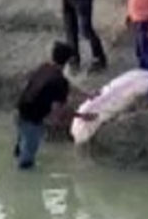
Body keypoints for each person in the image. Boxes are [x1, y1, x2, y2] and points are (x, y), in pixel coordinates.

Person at [15, 42, 95, 170]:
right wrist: (82, 116)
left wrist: (86, 95)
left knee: (21, 148)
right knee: (27, 162)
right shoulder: (59, 82)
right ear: (68, 62)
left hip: (21, 111)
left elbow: (67, 86)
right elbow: (58, 112)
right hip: (34, 119)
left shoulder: (45, 67)